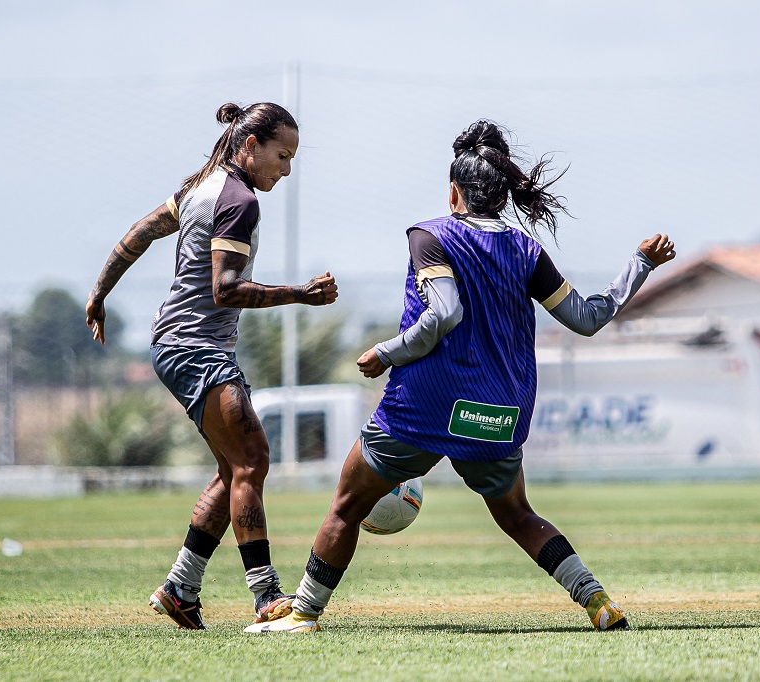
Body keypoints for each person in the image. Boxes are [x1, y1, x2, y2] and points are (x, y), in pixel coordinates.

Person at [246, 119, 675, 634]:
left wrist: (386, 352)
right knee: (517, 514)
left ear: (455, 193)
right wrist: (639, 264)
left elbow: (444, 313)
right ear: (502, 195)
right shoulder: (526, 250)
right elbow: (587, 319)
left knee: (348, 503)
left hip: (423, 407)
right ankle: (598, 602)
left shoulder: (432, 236)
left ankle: (304, 614)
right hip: (499, 411)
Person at [86, 102, 338, 630]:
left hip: (179, 344)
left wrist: (100, 291)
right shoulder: (238, 200)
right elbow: (225, 292)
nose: (286, 169)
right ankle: (268, 598)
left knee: (234, 469)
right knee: (253, 460)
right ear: (250, 145)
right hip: (193, 347)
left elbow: (142, 230)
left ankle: (181, 587)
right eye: (282, 155)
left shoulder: (201, 186)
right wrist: (302, 294)